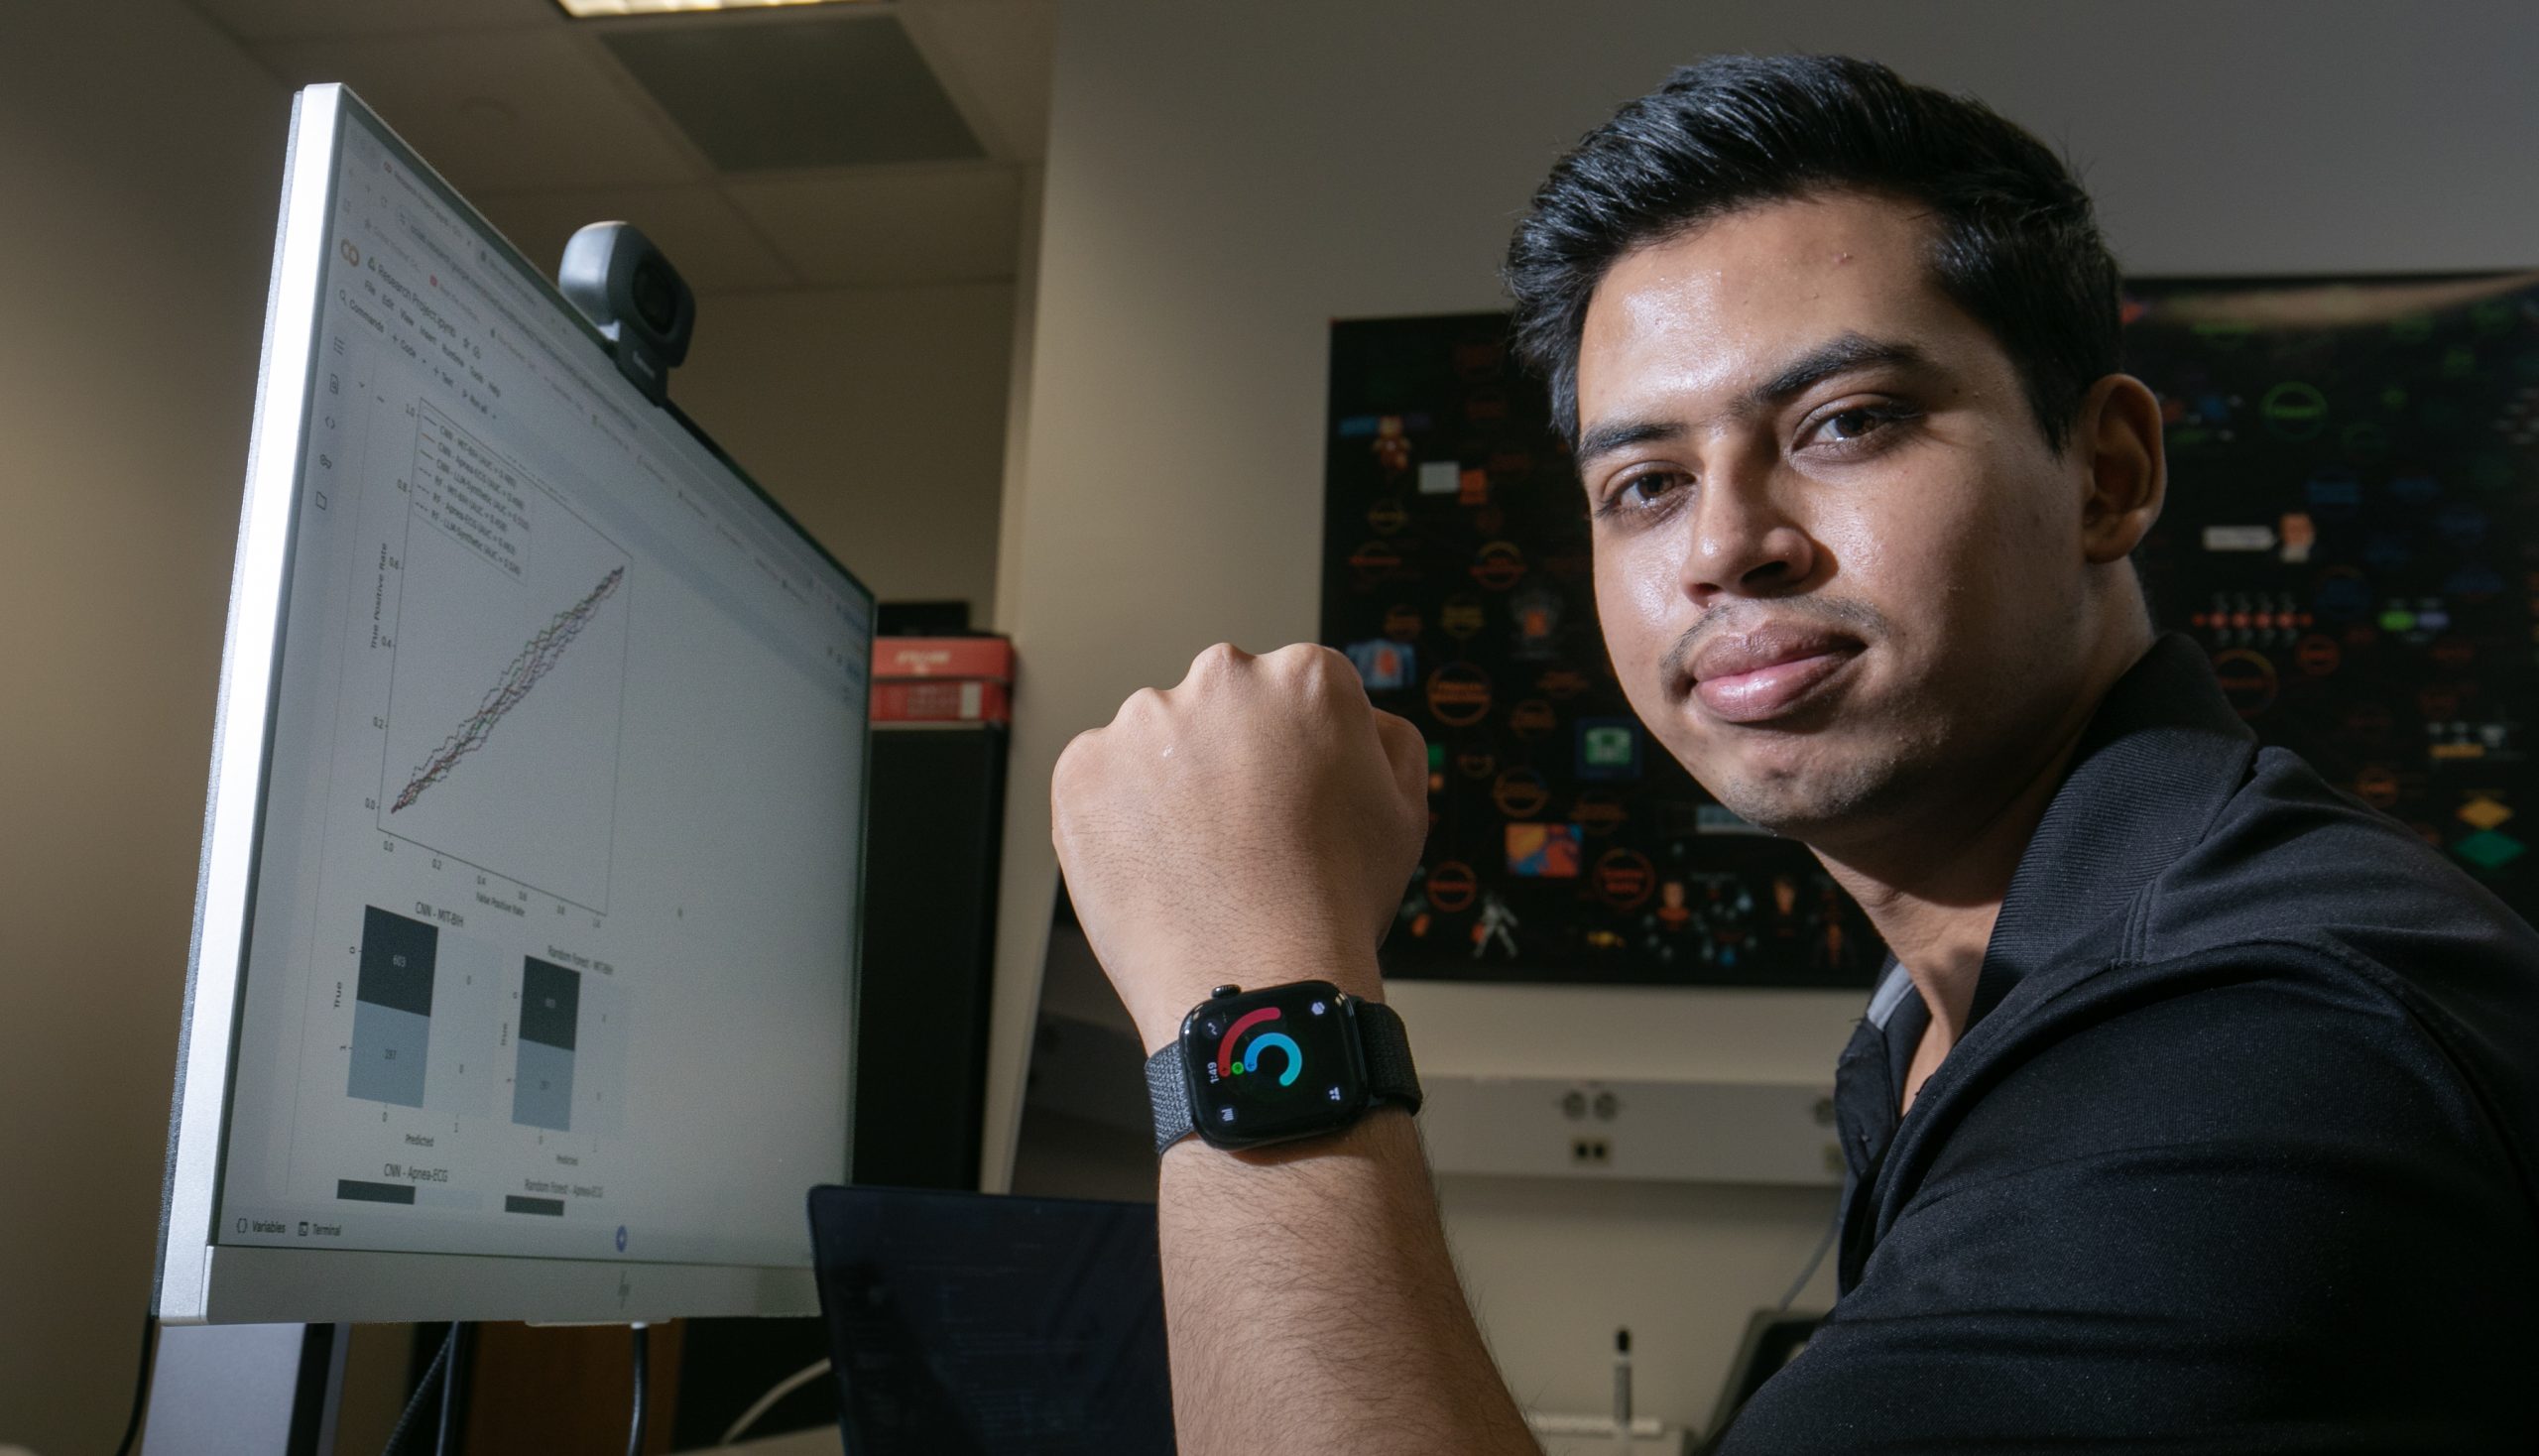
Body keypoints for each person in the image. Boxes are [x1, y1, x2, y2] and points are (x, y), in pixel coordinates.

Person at [1048, 55, 2539, 1452]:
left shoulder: (2257, 1046)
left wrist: (1246, 986)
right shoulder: (1937, 1015)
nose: (1724, 546)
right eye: (1644, 481)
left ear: (2108, 473)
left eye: (1846, 422)